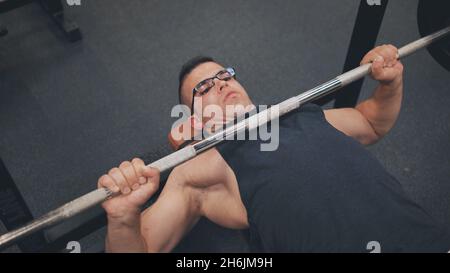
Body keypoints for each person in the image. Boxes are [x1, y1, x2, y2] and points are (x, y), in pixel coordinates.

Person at [98, 45, 450, 252]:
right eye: (204, 88)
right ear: (194, 122)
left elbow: (371, 122)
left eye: (225, 76)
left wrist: (391, 82)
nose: (220, 85)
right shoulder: (206, 165)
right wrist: (122, 217)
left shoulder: (300, 112)